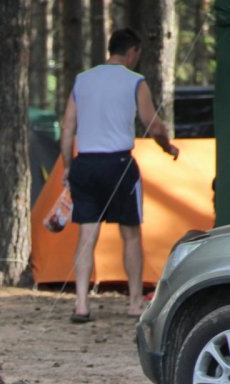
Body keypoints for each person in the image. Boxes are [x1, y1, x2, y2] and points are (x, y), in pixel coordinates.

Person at [60, 27, 179, 323]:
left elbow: (67, 127)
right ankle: (135, 303)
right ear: (133, 52)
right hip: (120, 164)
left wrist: (66, 166)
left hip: (84, 163)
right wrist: (168, 147)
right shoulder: (135, 81)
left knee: (87, 234)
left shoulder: (82, 80)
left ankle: (82, 304)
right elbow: (153, 125)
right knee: (130, 234)